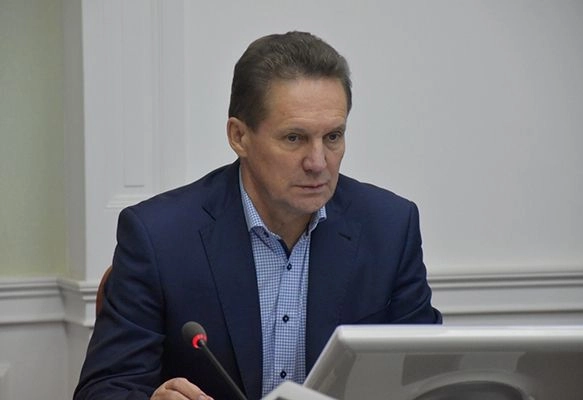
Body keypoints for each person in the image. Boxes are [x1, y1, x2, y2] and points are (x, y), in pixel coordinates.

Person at [74, 31, 442, 400]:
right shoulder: (159, 237)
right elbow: (104, 389)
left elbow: (431, 379)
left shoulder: (390, 228)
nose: (318, 162)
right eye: (294, 138)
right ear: (239, 136)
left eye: (333, 137)